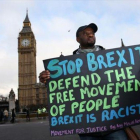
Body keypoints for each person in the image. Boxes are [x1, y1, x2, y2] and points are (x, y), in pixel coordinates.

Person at [39, 23, 128, 140]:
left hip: (113, 126)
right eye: (86, 33)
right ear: (77, 39)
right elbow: (60, 88)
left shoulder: (112, 58)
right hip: (87, 130)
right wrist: (46, 78)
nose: (90, 35)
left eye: (92, 33)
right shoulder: (67, 66)